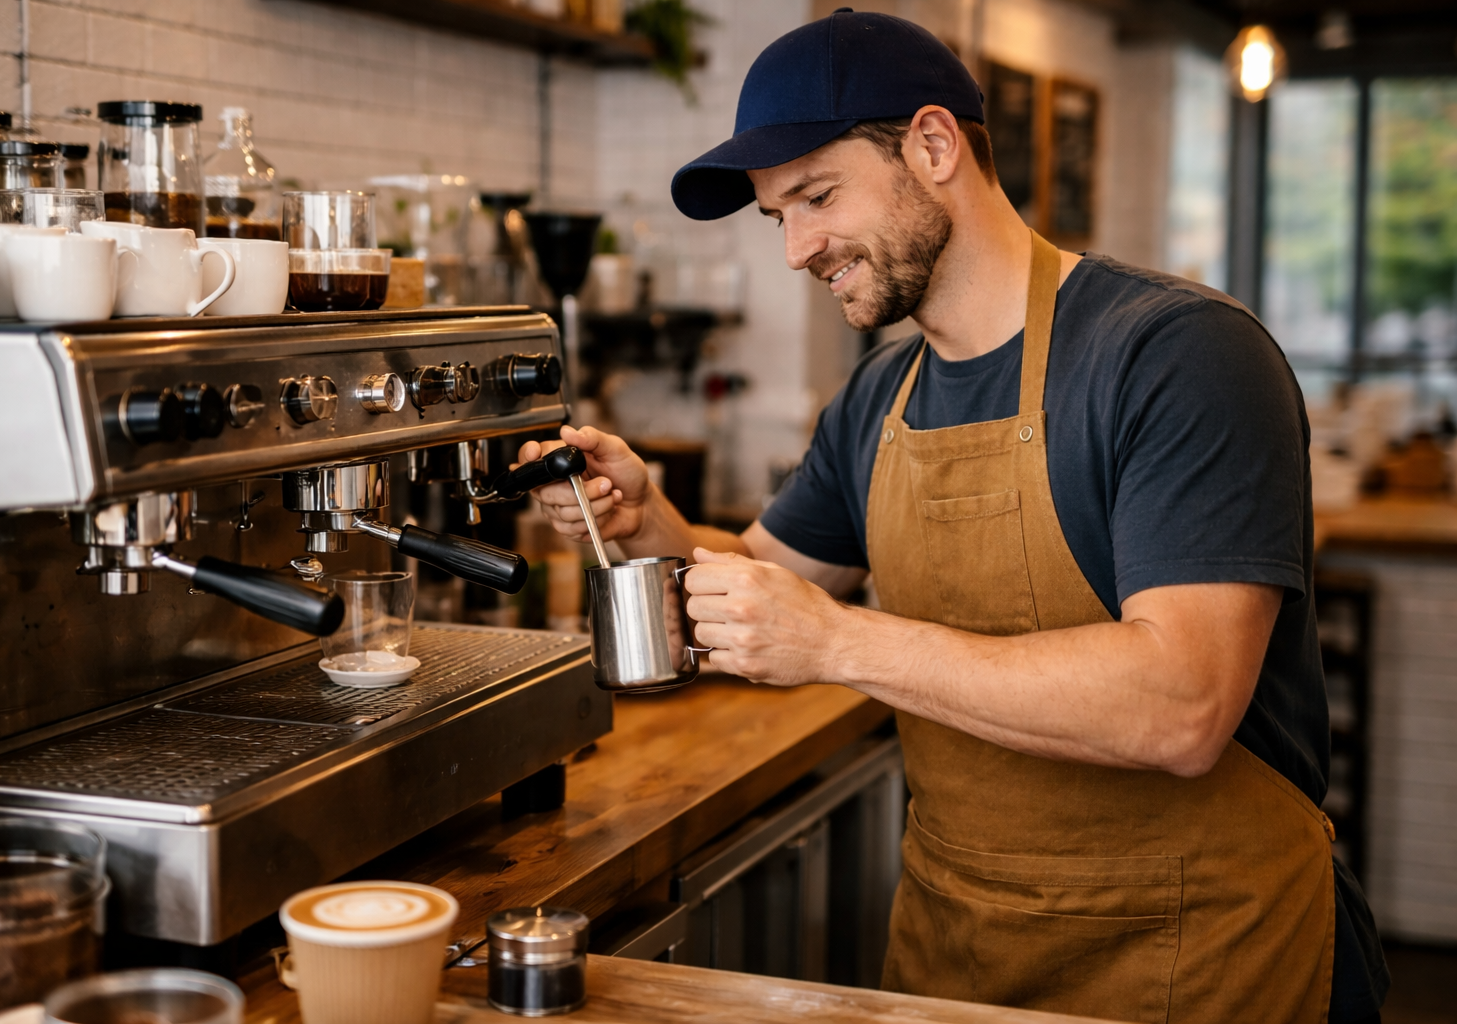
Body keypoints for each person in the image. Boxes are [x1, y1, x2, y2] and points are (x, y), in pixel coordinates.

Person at [518, 10, 1387, 1023]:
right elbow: (760, 587)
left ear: (934, 146)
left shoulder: (1178, 355)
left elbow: (1183, 705)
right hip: (960, 948)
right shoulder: (877, 398)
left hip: (1205, 960)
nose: (797, 249)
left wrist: (838, 641)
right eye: (775, 216)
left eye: (817, 196)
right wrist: (643, 518)